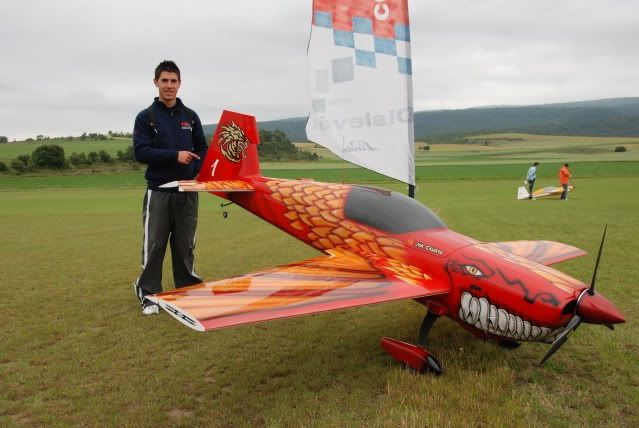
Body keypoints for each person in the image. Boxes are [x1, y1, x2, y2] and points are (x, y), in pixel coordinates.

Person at [132, 60, 209, 315]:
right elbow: (141, 152)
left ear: (179, 83)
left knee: (185, 244)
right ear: (156, 82)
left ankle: (187, 289)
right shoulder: (146, 117)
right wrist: (174, 155)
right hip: (160, 191)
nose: (169, 85)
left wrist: (197, 173)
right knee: (154, 245)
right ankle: (149, 294)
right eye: (164, 80)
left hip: (187, 192)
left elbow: (202, 149)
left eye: (173, 81)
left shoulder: (191, 117)